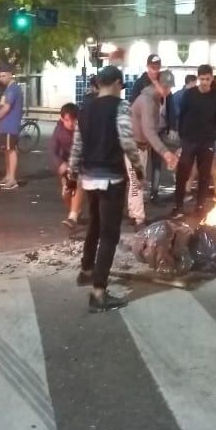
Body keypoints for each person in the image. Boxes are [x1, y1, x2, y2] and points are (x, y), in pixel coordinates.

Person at [67, 65, 144, 312]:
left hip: (89, 177)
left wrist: (72, 172)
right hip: (111, 177)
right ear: (118, 83)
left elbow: (77, 144)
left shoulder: (85, 108)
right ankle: (99, 293)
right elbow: (126, 139)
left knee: (95, 225)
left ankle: (86, 270)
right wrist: (138, 167)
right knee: (109, 235)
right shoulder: (120, 106)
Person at [173, 65, 216, 218]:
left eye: (207, 79)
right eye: (202, 79)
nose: (204, 82)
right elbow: (181, 115)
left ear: (211, 79)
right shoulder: (189, 94)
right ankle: (178, 205)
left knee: (204, 175)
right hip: (189, 140)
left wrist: (213, 136)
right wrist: (182, 135)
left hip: (207, 141)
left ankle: (200, 205)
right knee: (183, 173)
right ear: (198, 79)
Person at [131, 70, 179, 220]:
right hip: (133, 145)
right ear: (156, 83)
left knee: (136, 182)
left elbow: (153, 131)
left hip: (142, 145)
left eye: (169, 87)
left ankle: (134, 213)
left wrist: (169, 150)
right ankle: (138, 218)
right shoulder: (147, 100)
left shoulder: (157, 98)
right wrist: (165, 152)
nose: (167, 90)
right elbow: (149, 130)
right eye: (165, 86)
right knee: (136, 183)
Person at [50, 103, 85, 227]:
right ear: (61, 119)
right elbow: (52, 150)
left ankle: (73, 216)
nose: (70, 123)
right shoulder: (59, 130)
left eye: (73, 120)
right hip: (65, 164)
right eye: (66, 120)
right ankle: (75, 210)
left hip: (80, 164)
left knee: (78, 185)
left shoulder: (83, 128)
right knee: (66, 193)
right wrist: (60, 164)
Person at [0, 65, 24, 189]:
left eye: (3, 75)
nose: (1, 78)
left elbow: (6, 107)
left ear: (10, 74)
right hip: (5, 125)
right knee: (6, 151)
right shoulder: (8, 89)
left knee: (11, 151)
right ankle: (8, 176)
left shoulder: (13, 89)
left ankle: (12, 179)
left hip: (10, 125)